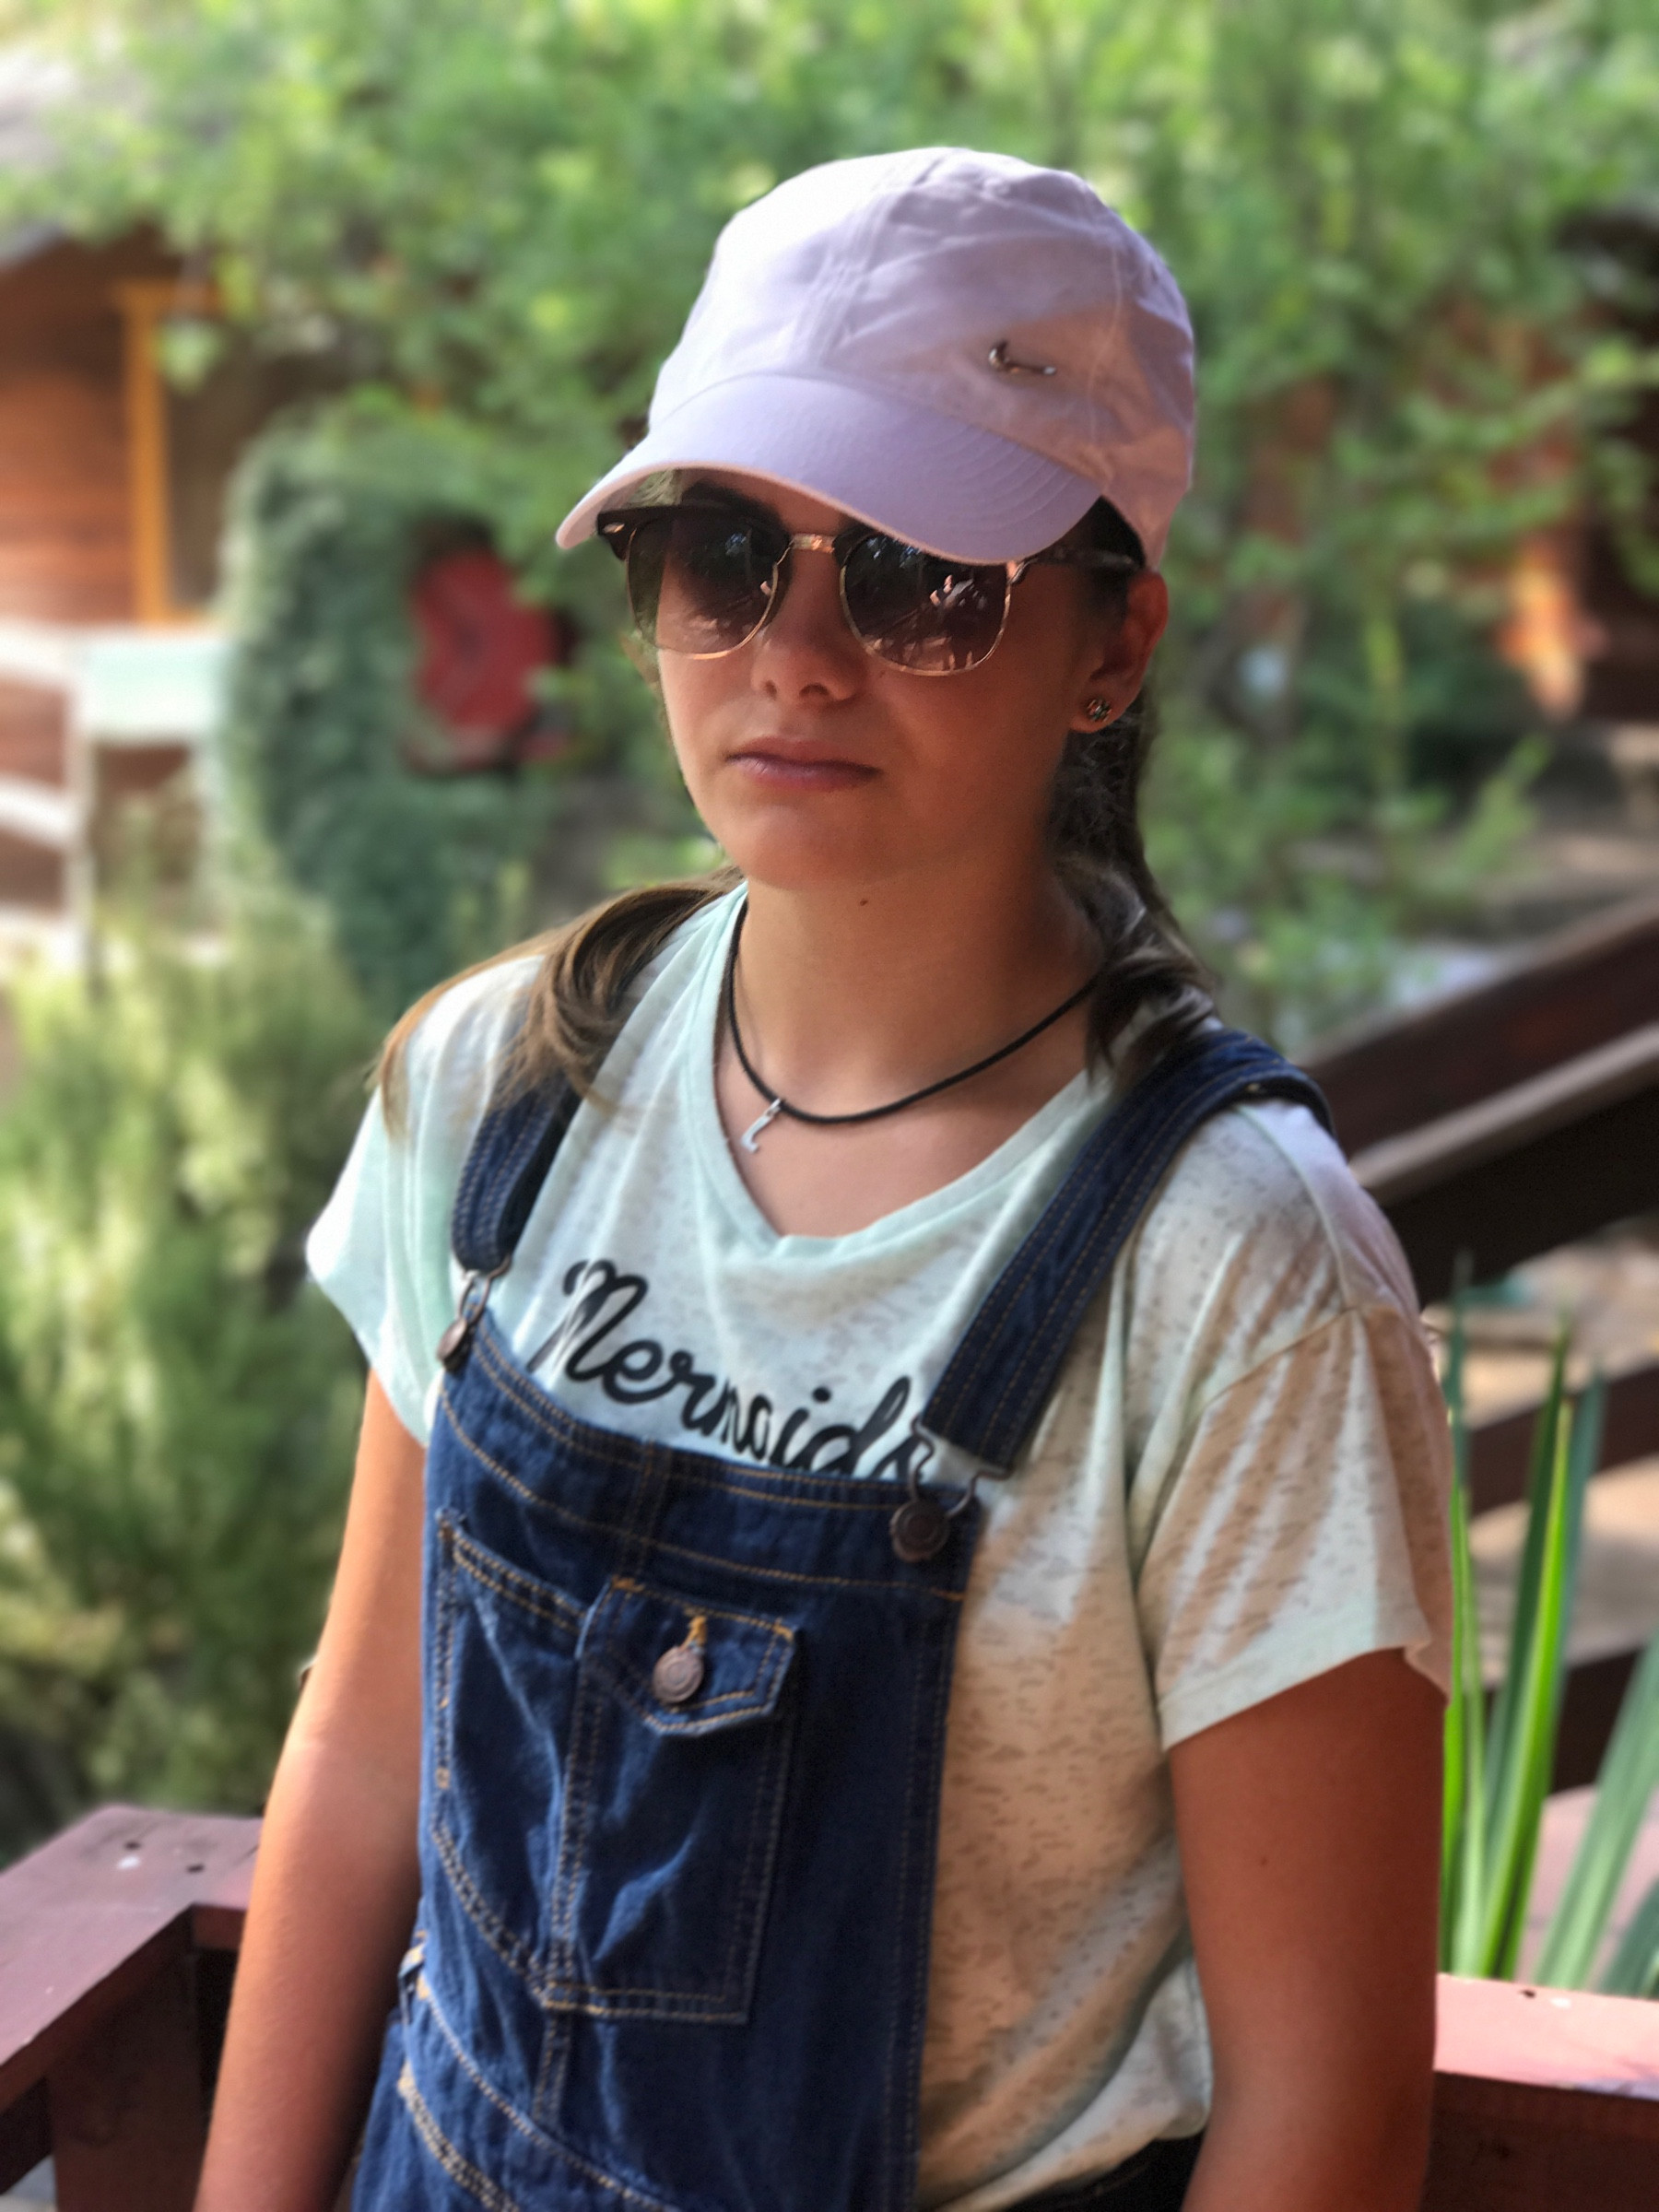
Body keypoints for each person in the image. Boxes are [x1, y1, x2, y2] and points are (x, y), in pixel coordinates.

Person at [195, 148, 1452, 2212]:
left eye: (916, 575)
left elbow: (1329, 2115)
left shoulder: (1239, 1274)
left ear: (1114, 643)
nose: (793, 651)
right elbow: (360, 1756)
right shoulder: (503, 1086)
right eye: (719, 553)